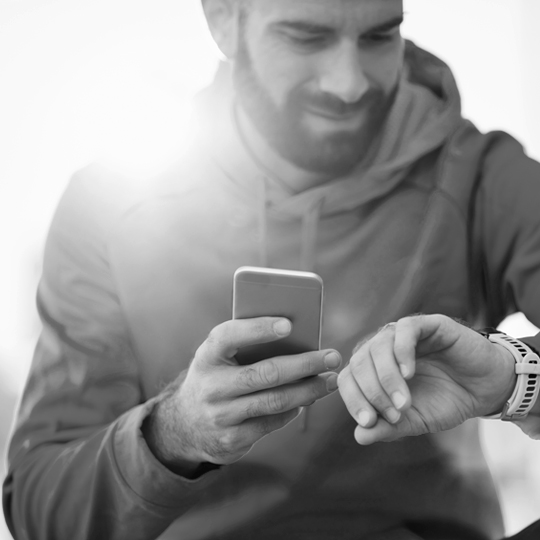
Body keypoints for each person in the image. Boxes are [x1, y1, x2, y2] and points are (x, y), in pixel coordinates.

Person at [4, 0, 540, 538]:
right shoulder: (109, 207)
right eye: (306, 38)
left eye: (380, 37)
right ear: (224, 21)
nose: (349, 83)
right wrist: (173, 435)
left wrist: (515, 379)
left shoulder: (479, 176)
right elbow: (38, 512)